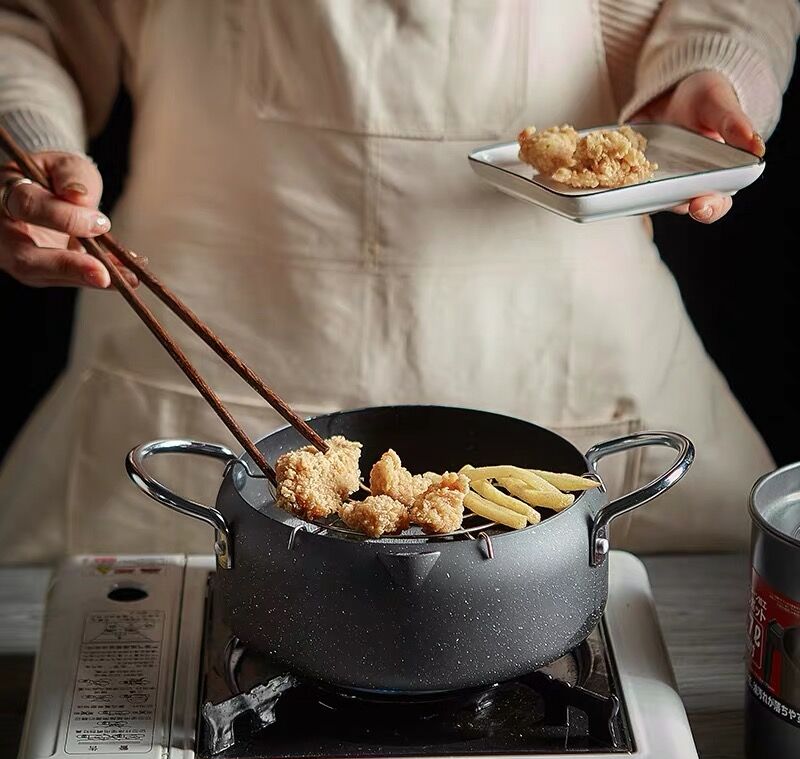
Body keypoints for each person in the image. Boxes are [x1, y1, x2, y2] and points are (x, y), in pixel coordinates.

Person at [0, 1, 796, 562]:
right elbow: (28, 22)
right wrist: (28, 153)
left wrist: (704, 75)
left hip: (579, 395)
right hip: (194, 412)